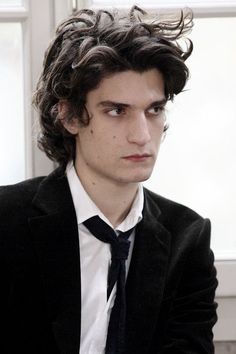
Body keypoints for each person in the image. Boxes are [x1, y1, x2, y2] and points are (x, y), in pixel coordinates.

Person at [0, 6, 218, 354]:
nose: (142, 135)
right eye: (117, 111)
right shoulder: (6, 222)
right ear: (69, 116)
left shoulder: (187, 238)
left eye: (154, 110)